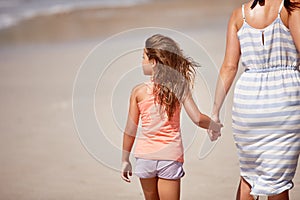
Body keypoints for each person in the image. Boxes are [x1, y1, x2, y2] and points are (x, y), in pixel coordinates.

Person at [209, 0, 300, 199]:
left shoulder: (238, 15)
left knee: (249, 176)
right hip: (284, 100)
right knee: (277, 182)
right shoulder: (291, 8)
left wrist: (215, 112)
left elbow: (229, 67)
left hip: (247, 102)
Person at [121, 34, 223, 200]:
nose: (141, 61)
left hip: (145, 158)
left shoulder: (138, 92)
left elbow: (130, 130)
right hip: (170, 157)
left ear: (153, 62)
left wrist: (125, 159)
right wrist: (215, 126)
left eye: (143, 57)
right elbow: (197, 118)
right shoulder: (178, 87)